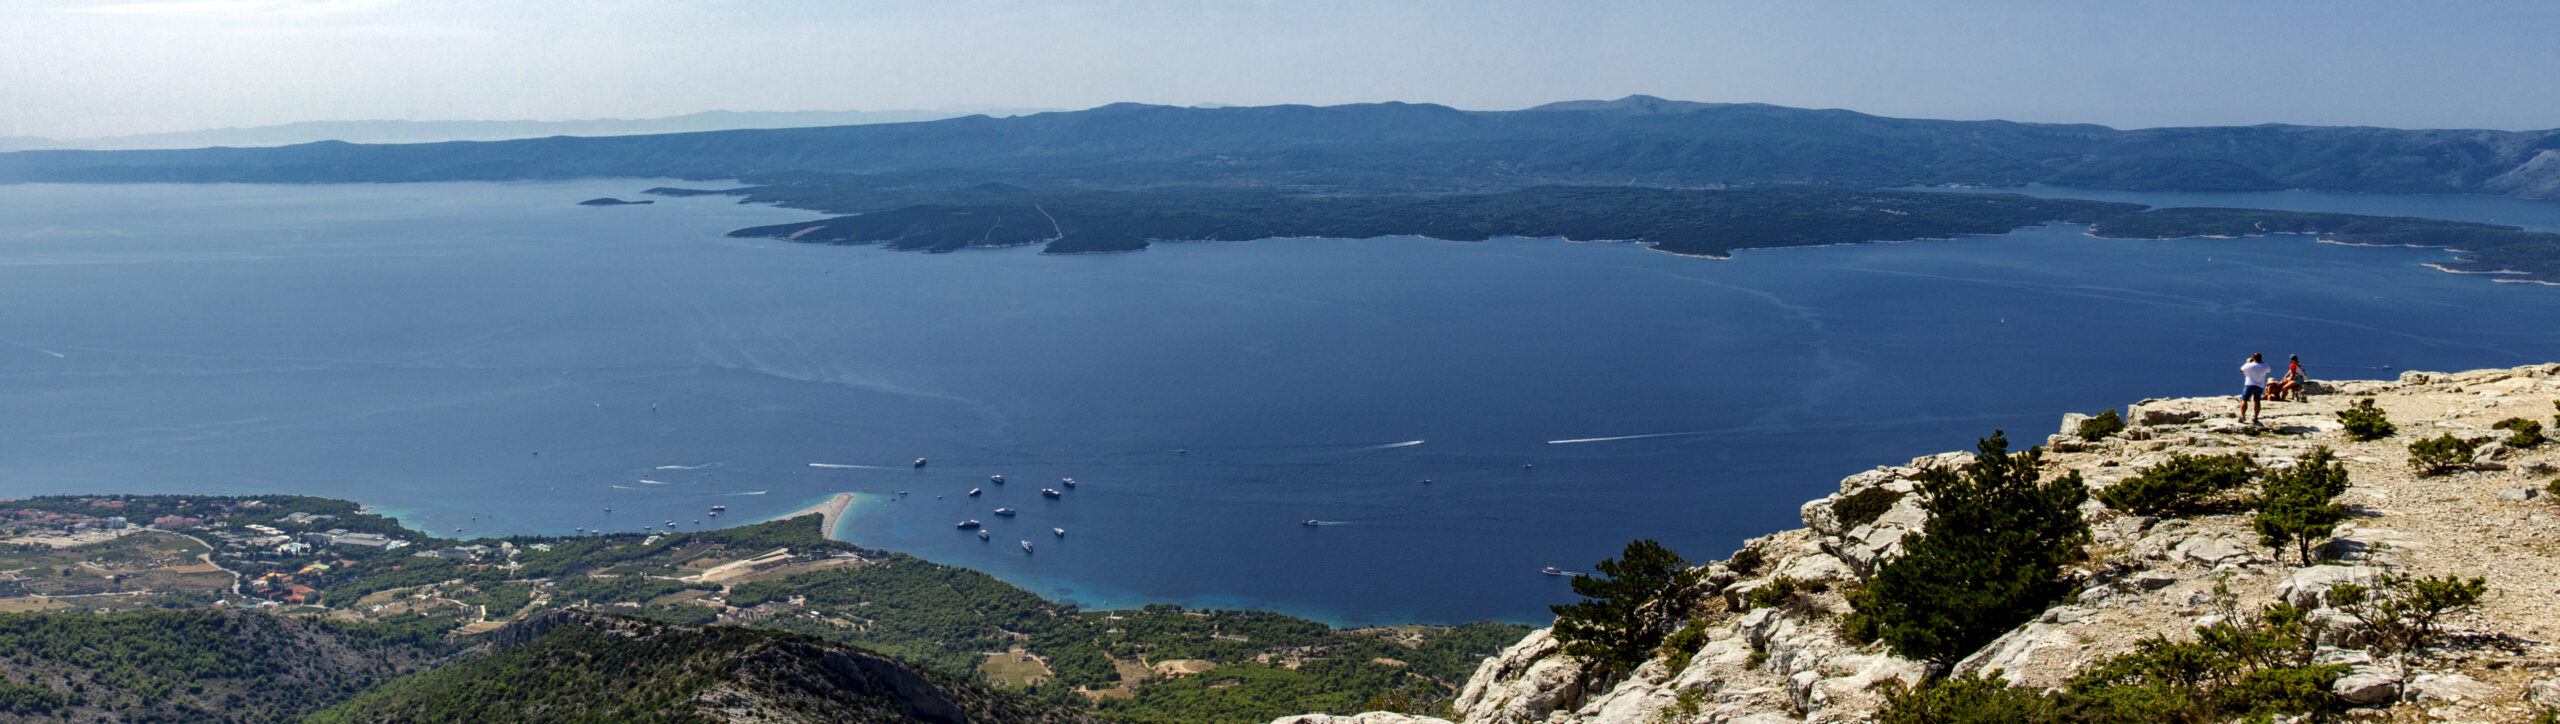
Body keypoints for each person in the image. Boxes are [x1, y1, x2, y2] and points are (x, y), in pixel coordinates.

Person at [2239, 353, 2273, 423]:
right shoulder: (2264, 365)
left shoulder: (2248, 365)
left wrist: (2249, 362)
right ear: (2261, 358)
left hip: (2249, 384)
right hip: (2259, 385)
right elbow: (2269, 371)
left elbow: (2241, 370)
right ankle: (2256, 417)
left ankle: (2242, 416)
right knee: (2257, 401)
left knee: (2244, 400)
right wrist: (2262, 362)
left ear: (2253, 358)